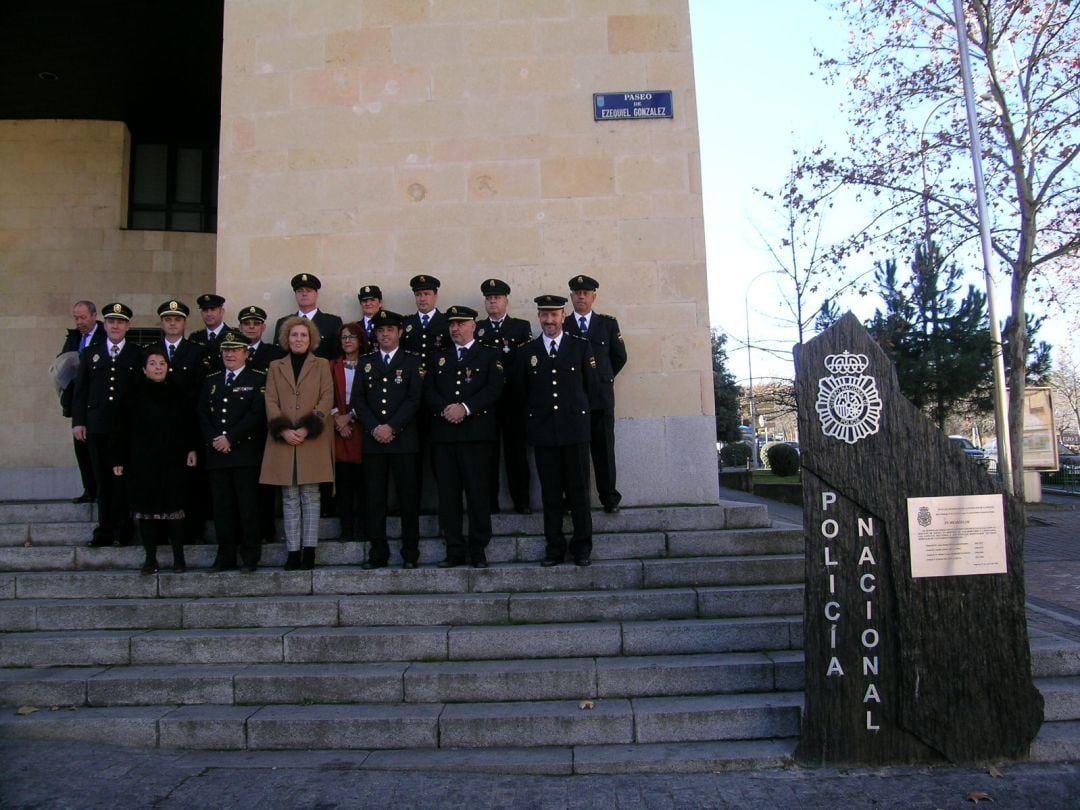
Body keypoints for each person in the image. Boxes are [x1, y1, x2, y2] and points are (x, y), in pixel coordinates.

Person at [517, 295, 600, 566]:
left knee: (578, 493)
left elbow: (593, 389)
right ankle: (554, 548)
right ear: (539, 317)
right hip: (544, 433)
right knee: (550, 494)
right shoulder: (527, 351)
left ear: (563, 317)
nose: (549, 320)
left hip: (574, 432)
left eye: (554, 315)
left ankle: (581, 548)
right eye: (544, 315)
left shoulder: (580, 347)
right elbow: (522, 393)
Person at [424, 305, 505, 568]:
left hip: (476, 436)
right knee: (448, 497)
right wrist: (445, 410)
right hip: (445, 436)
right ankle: (454, 548)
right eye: (452, 324)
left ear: (474, 326)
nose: (455, 328)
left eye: (460, 323)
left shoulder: (488, 356)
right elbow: (429, 390)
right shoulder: (439, 358)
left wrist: (466, 408)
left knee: (477, 494)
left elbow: (494, 388)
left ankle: (478, 548)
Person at [110, 348, 198, 574]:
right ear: (144, 368)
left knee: (174, 510)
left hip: (173, 461)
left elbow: (189, 424)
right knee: (145, 511)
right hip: (141, 463)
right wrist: (118, 458)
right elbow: (120, 429)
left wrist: (191, 449)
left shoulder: (178, 393)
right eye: (152, 363)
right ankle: (150, 559)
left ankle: (179, 558)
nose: (158, 367)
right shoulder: (132, 394)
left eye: (162, 363)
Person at [348, 310, 423, 569]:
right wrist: (375, 428)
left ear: (400, 333)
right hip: (374, 441)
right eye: (380, 331)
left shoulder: (411, 361)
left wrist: (391, 426)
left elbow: (414, 399)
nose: (385, 335)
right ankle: (377, 552)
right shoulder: (366, 362)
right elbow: (357, 398)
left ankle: (410, 553)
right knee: (374, 499)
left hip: (403, 440)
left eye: (390, 330)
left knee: (408, 498)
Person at [260, 316, 334, 570]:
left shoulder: (322, 364)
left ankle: (309, 551)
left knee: (310, 496)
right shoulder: (275, 365)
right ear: (286, 338)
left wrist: (305, 428)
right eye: (294, 335)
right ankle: (293, 551)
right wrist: (282, 429)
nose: (298, 339)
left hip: (311, 438)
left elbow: (327, 398)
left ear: (311, 338)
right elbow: (270, 400)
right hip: (283, 439)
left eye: (303, 335)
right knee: (289, 496)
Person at [72, 302, 144, 548]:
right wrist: (79, 422)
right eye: (111, 321)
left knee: (123, 479)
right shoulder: (91, 352)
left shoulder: (137, 353)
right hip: (98, 427)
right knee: (102, 479)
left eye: (121, 322)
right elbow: (80, 391)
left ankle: (124, 530)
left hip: (126, 430)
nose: (116, 326)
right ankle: (104, 529)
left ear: (128, 326)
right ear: (105, 324)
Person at [198, 331, 268, 573]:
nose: (229, 353)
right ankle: (225, 555)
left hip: (244, 454)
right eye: (226, 349)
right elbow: (202, 413)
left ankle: (250, 555)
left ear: (246, 353)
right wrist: (215, 440)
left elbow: (256, 415)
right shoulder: (212, 380)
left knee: (248, 507)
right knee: (222, 509)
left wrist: (231, 438)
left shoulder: (258, 379)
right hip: (217, 454)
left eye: (235, 349)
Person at [564, 275, 627, 513]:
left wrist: (603, 378)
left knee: (603, 450)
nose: (581, 296)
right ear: (571, 297)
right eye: (577, 293)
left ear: (593, 297)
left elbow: (619, 356)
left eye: (586, 293)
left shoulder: (608, 324)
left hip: (600, 399)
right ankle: (573, 499)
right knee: (574, 453)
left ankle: (609, 497)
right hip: (573, 399)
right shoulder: (564, 324)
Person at [475, 278, 534, 514]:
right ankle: (490, 502)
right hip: (486, 403)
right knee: (486, 455)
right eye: (488, 298)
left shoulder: (520, 327)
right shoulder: (477, 328)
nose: (492, 301)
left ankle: (522, 501)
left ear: (506, 300)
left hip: (512, 400)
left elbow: (524, 365)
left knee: (516, 453)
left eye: (496, 297)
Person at [238, 304, 285, 543]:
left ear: (264, 327)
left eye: (256, 324)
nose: (251, 327)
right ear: (240, 327)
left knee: (266, 481)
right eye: (247, 323)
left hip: (266, 427)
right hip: (239, 428)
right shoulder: (231, 351)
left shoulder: (274, 353)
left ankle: (267, 529)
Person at [58, 300, 105, 504]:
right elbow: (62, 361)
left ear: (94, 316)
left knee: (97, 450)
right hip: (78, 400)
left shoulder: (105, 335)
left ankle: (102, 490)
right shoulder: (74, 337)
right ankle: (89, 489)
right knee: (81, 447)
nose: (79, 322)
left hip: (98, 400)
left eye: (83, 317)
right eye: (76, 318)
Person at [330, 322, 370, 543]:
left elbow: (370, 396)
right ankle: (346, 529)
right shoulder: (332, 365)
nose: (347, 341)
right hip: (339, 430)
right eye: (344, 337)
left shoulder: (369, 364)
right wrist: (338, 419)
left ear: (360, 340)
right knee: (343, 482)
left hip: (362, 427)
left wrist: (351, 416)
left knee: (364, 482)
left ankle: (363, 528)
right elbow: (327, 394)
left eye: (352, 337)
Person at [273, 273, 343, 361]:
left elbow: (337, 357)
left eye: (308, 290)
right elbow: (278, 356)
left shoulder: (333, 322)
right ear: (295, 295)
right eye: (300, 291)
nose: (304, 294)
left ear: (317, 294)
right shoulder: (282, 323)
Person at [188, 293, 232, 375]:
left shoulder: (233, 336)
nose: (208, 314)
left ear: (222, 312)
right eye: (205, 310)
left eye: (213, 309)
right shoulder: (195, 338)